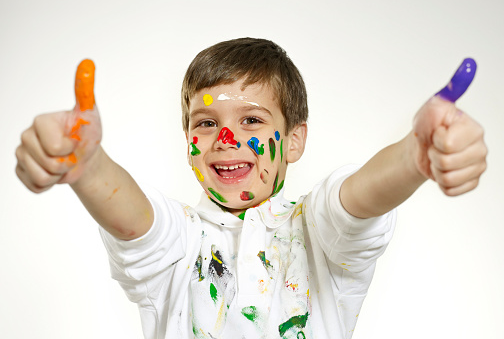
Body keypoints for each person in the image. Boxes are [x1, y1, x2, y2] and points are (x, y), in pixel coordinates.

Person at [15, 38, 487, 339]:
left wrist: (413, 157)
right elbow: (137, 222)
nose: (226, 140)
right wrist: (89, 165)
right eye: (205, 122)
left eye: (252, 120)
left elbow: (357, 199)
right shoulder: (180, 242)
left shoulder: (317, 233)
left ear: (295, 140)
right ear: (188, 142)